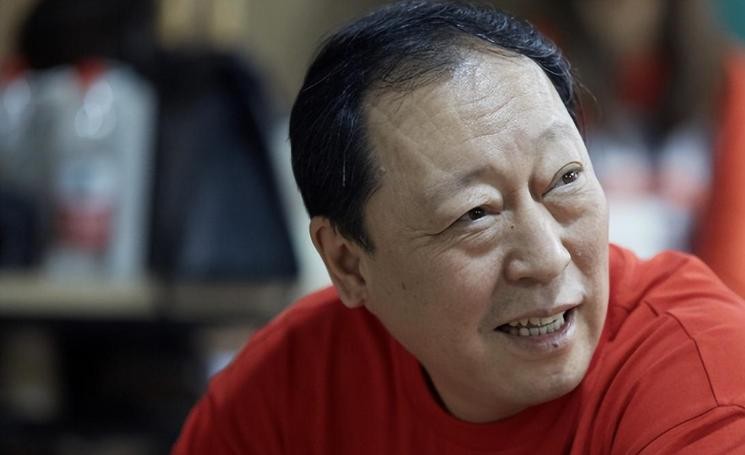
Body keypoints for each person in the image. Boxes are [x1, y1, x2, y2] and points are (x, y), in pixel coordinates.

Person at [172, 1, 745, 453]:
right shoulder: (293, 388)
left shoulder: (698, 384)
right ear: (348, 263)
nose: (548, 258)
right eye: (476, 214)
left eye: (565, 180)